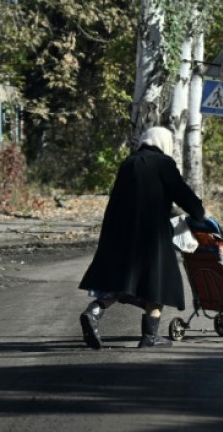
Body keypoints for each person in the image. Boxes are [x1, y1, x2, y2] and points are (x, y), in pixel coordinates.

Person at [78, 127, 206, 349]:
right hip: (151, 233)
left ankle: (94, 311)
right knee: (160, 280)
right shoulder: (163, 164)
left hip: (118, 232)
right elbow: (182, 193)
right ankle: (150, 336)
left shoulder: (129, 162)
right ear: (164, 143)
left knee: (122, 279)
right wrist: (199, 213)